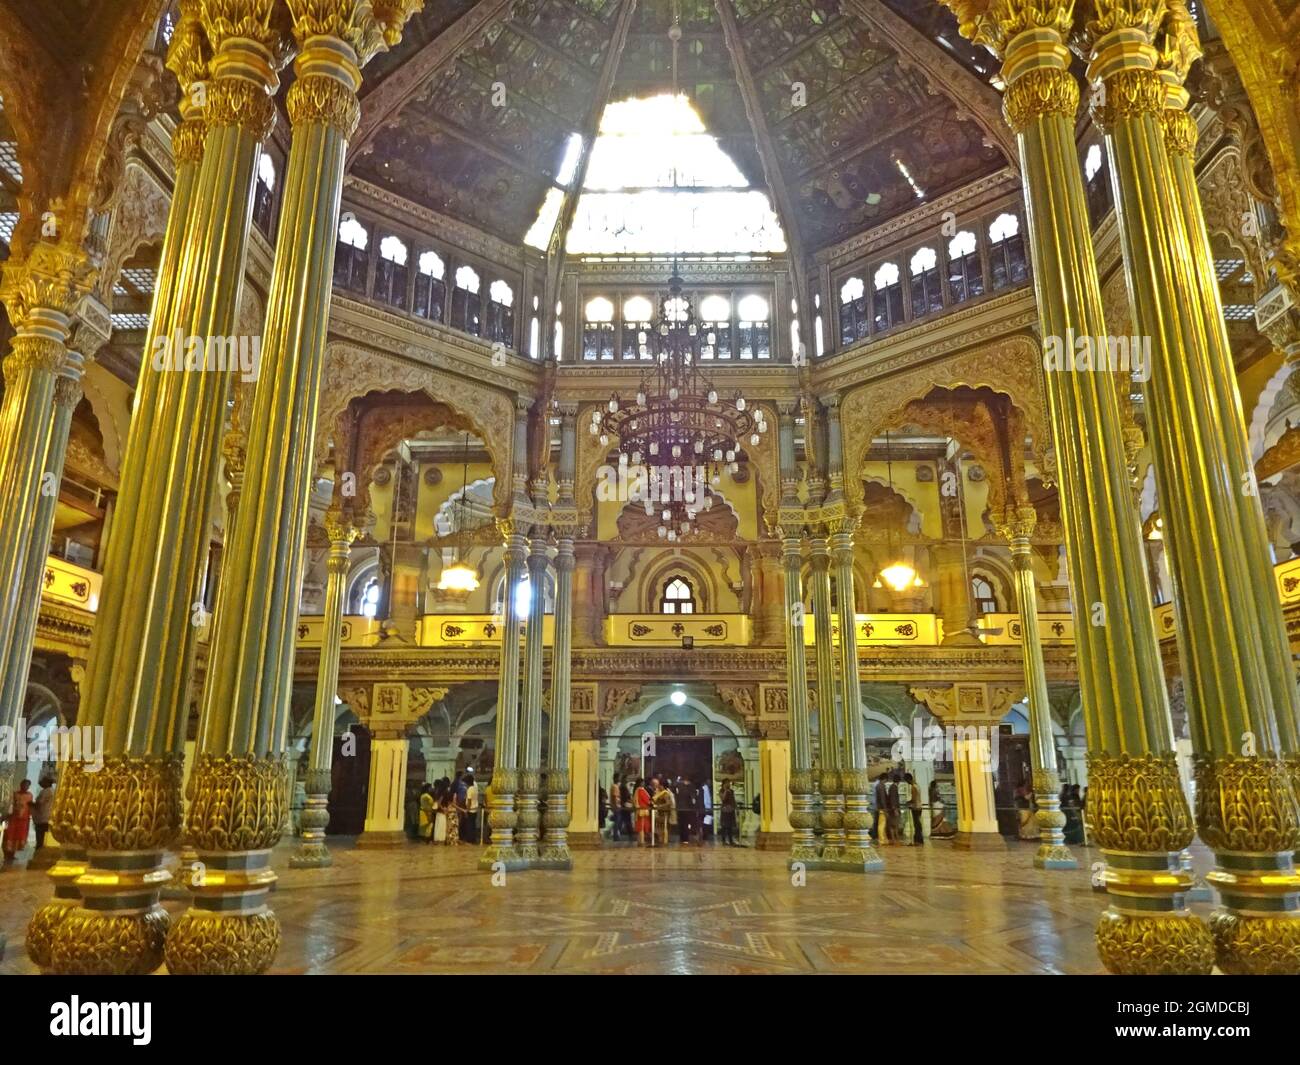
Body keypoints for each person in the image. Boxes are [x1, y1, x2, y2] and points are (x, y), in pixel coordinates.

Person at [3, 779, 34, 861]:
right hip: (14, 818)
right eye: (24, 784)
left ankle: (12, 854)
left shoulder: (30, 795)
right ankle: (7, 854)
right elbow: (11, 804)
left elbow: (30, 807)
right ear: (21, 785)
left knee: (19, 836)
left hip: (24, 819)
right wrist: (8, 814)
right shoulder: (15, 794)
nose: (25, 786)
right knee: (10, 835)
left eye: (27, 785)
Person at [33, 774, 55, 851]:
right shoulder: (50, 791)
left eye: (43, 781)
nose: (41, 783)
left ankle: (39, 851)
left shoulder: (46, 791)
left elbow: (39, 803)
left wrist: (30, 804)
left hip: (42, 817)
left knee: (40, 836)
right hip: (45, 816)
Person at [678, 775, 698, 844]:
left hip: (681, 808)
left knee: (682, 823)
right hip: (687, 808)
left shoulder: (680, 786)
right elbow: (693, 797)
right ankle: (685, 838)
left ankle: (682, 838)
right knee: (686, 823)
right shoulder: (691, 787)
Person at [905, 772, 924, 845]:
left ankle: (918, 840)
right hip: (919, 807)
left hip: (915, 808)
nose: (907, 782)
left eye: (906, 781)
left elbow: (914, 798)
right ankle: (918, 840)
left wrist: (908, 802)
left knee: (916, 824)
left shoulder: (913, 787)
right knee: (918, 824)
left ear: (909, 779)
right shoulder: (917, 786)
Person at [634, 777, 652, 846]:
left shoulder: (639, 790)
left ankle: (641, 840)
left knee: (642, 825)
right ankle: (641, 841)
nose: (643, 783)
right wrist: (650, 802)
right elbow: (646, 799)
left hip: (642, 809)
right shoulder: (640, 790)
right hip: (642, 810)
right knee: (641, 825)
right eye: (642, 782)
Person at [463, 772, 480, 843]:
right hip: (475, 809)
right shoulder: (475, 788)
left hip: (470, 809)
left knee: (469, 825)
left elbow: (469, 801)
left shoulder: (469, 789)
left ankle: (470, 839)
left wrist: (467, 810)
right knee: (473, 825)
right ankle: (473, 839)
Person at [873, 773, 889, 842]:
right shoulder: (881, 786)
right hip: (881, 808)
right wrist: (885, 809)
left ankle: (877, 838)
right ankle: (881, 839)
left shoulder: (877, 785)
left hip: (877, 807)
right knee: (881, 824)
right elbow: (883, 799)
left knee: (878, 823)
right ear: (884, 779)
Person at [886, 771, 901, 845]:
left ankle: (894, 838)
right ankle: (895, 838)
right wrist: (895, 809)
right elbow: (893, 799)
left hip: (892, 808)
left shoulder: (892, 787)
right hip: (893, 809)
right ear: (899, 781)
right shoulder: (894, 787)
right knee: (894, 824)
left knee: (893, 824)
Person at [609, 775, 624, 841]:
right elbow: (615, 797)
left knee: (617, 820)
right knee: (617, 821)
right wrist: (617, 805)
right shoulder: (615, 787)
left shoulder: (615, 786)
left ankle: (616, 834)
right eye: (618, 778)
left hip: (616, 806)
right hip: (616, 806)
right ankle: (615, 835)